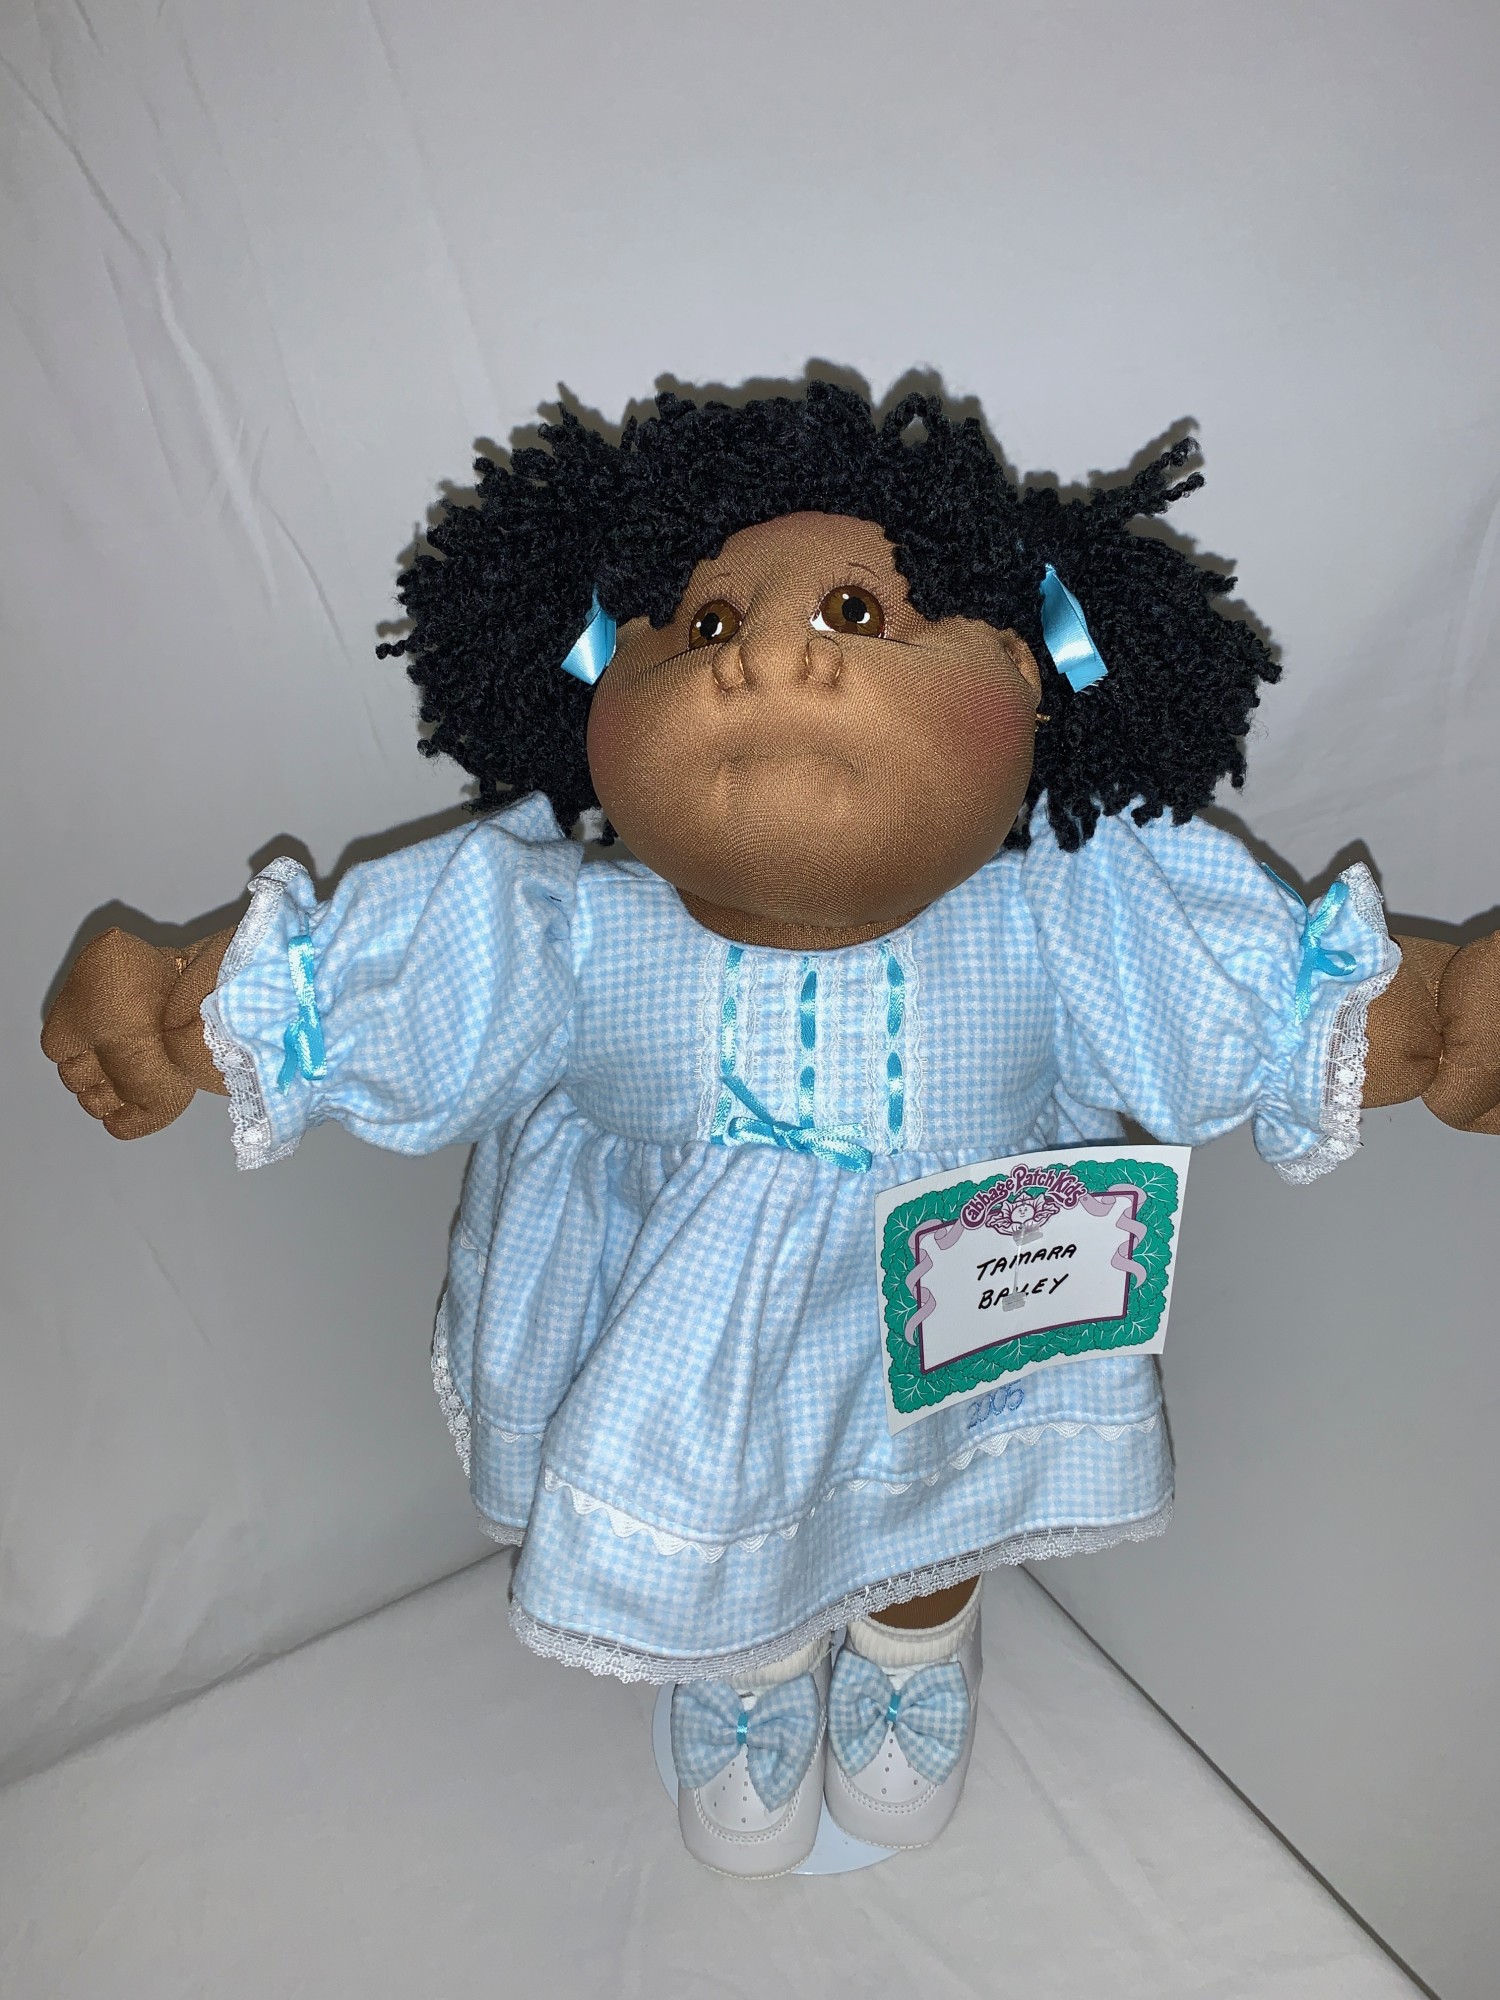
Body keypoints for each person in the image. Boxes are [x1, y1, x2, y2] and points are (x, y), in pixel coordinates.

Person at [42, 381, 1500, 1878]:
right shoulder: (569, 926)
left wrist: (1438, 1017)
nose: (765, 656)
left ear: (1022, 672)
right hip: (691, 1364)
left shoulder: (1066, 910)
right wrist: (189, 1011)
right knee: (721, 1530)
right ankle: (745, 1674)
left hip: (963, 1325)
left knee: (942, 1511)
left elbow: (1233, 996)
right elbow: (401, 991)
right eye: (708, 625)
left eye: (858, 614)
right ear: (602, 687)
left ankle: (915, 1650)